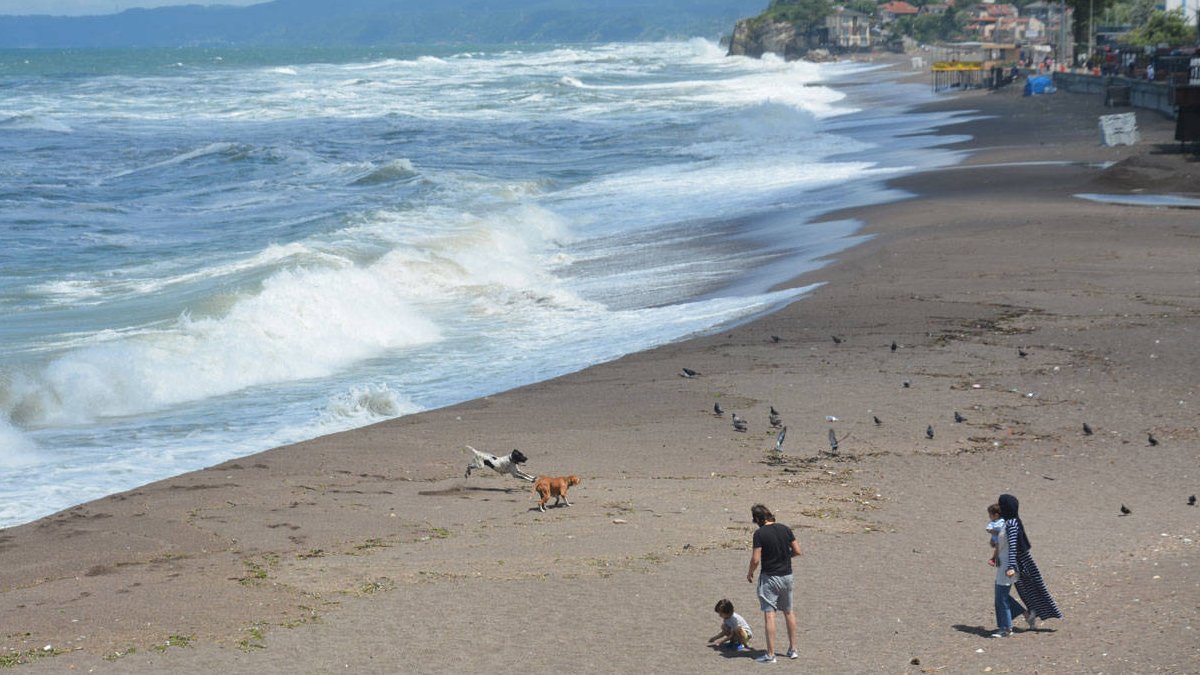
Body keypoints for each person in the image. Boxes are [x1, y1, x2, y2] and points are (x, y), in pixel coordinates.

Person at [1000, 493, 1063, 634]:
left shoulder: (1010, 523)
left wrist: (1011, 565)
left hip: (1019, 561)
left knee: (1005, 592)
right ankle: (1031, 613)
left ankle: (1029, 613)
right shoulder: (1015, 520)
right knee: (1031, 589)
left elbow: (1013, 546)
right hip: (1025, 559)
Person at [746, 504, 802, 663]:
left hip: (770, 577)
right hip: (787, 576)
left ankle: (770, 655)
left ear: (757, 519)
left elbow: (756, 559)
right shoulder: (785, 529)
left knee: (770, 615)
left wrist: (750, 572)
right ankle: (793, 649)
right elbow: (797, 551)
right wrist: (784, 556)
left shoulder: (759, 534)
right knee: (789, 612)